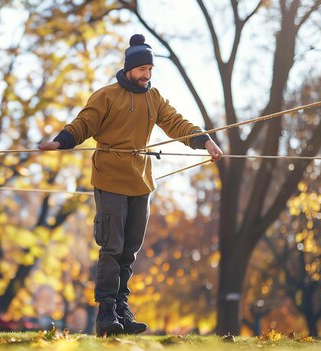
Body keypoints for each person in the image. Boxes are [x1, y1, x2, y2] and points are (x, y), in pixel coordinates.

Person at [38, 34, 223, 337]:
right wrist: (63, 140)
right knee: (111, 246)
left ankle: (122, 309)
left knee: (130, 251)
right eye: (142, 69)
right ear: (128, 69)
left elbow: (176, 123)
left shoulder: (154, 97)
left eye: (150, 69)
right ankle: (106, 311)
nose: (146, 75)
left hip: (141, 182)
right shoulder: (106, 96)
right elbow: (85, 122)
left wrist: (205, 141)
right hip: (110, 178)